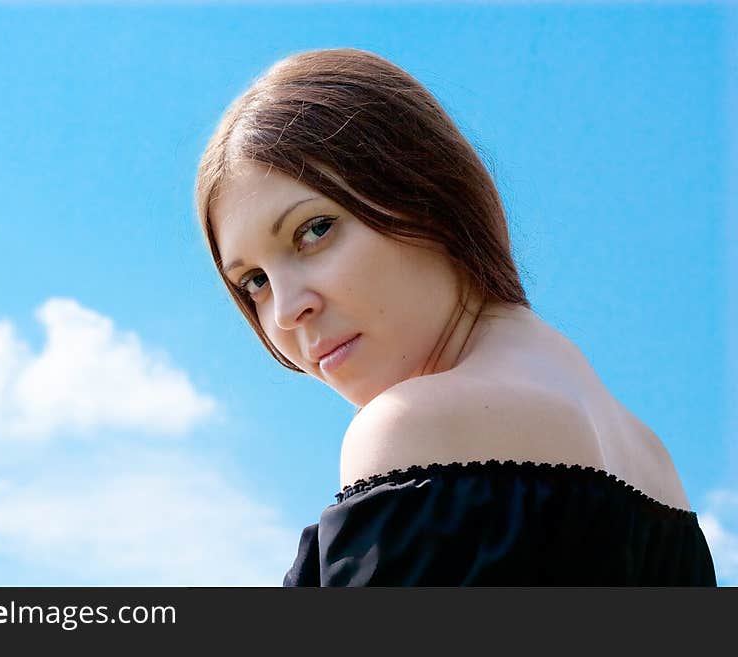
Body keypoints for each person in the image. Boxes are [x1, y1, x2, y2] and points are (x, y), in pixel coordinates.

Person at [194, 47, 717, 586]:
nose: (285, 312)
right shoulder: (655, 468)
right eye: (253, 282)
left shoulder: (413, 431)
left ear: (427, 192)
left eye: (315, 229)